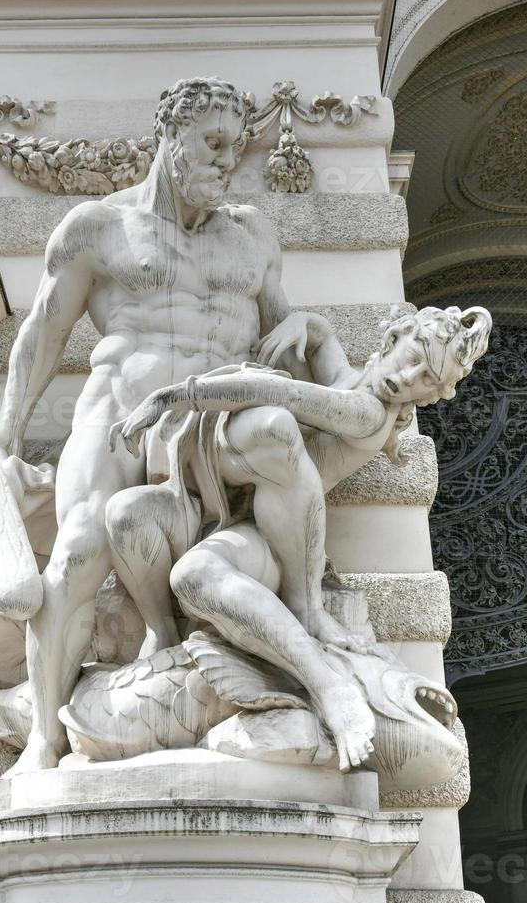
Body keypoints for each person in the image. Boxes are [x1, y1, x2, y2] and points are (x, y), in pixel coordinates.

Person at [0, 77, 327, 775]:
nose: (227, 162)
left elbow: (286, 327)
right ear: (171, 140)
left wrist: (310, 323)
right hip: (115, 411)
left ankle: (265, 655)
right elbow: (43, 332)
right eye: (213, 145)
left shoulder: (252, 235)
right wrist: (8, 424)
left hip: (211, 427)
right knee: (72, 557)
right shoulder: (99, 228)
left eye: (236, 149)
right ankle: (46, 735)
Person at [106, 305, 492, 770]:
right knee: (123, 516)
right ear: (394, 338)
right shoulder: (346, 378)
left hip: (276, 541)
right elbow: (322, 336)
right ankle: (161, 633)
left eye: (427, 378)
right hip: (219, 508)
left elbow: (277, 391)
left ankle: (327, 682)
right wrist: (302, 325)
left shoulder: (368, 414)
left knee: (267, 437)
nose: (408, 377)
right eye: (412, 356)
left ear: (434, 394)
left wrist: (173, 397)